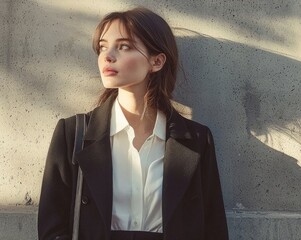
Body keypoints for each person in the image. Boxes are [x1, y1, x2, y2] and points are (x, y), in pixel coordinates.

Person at [38, 7, 228, 240]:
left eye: (124, 46)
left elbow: (213, 229)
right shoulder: (72, 133)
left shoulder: (197, 141)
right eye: (103, 47)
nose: (107, 56)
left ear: (156, 61)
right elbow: (52, 229)